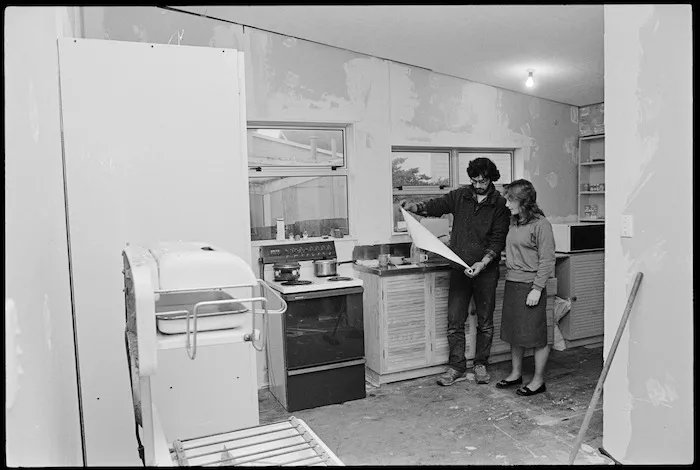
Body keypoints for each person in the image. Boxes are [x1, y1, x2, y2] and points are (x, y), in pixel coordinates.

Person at [401, 157, 510, 386]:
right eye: (474, 180)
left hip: (486, 271)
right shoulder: (460, 196)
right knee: (454, 321)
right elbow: (435, 206)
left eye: (483, 181)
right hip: (459, 268)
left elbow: (498, 239)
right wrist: (414, 207)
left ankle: (480, 364)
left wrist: (483, 263)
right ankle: (456, 367)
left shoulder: (499, 204)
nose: (478, 185)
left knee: (485, 322)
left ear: (491, 178)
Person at [495, 179, 556, 396]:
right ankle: (515, 373)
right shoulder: (515, 222)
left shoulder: (541, 224)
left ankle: (538, 381)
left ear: (523, 200)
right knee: (515, 333)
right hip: (513, 282)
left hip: (531, 285)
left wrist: (537, 288)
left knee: (536, 335)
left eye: (510, 200)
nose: (507, 204)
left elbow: (547, 260)